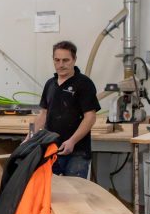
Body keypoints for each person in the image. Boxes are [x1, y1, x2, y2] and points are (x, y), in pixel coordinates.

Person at [31, 40, 100, 178]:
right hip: (52, 148)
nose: (61, 65)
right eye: (57, 60)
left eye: (65, 60)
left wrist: (72, 141)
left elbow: (90, 117)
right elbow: (42, 114)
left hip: (77, 152)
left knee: (75, 193)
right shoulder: (50, 84)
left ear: (74, 59)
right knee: (51, 191)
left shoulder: (84, 84)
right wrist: (30, 137)